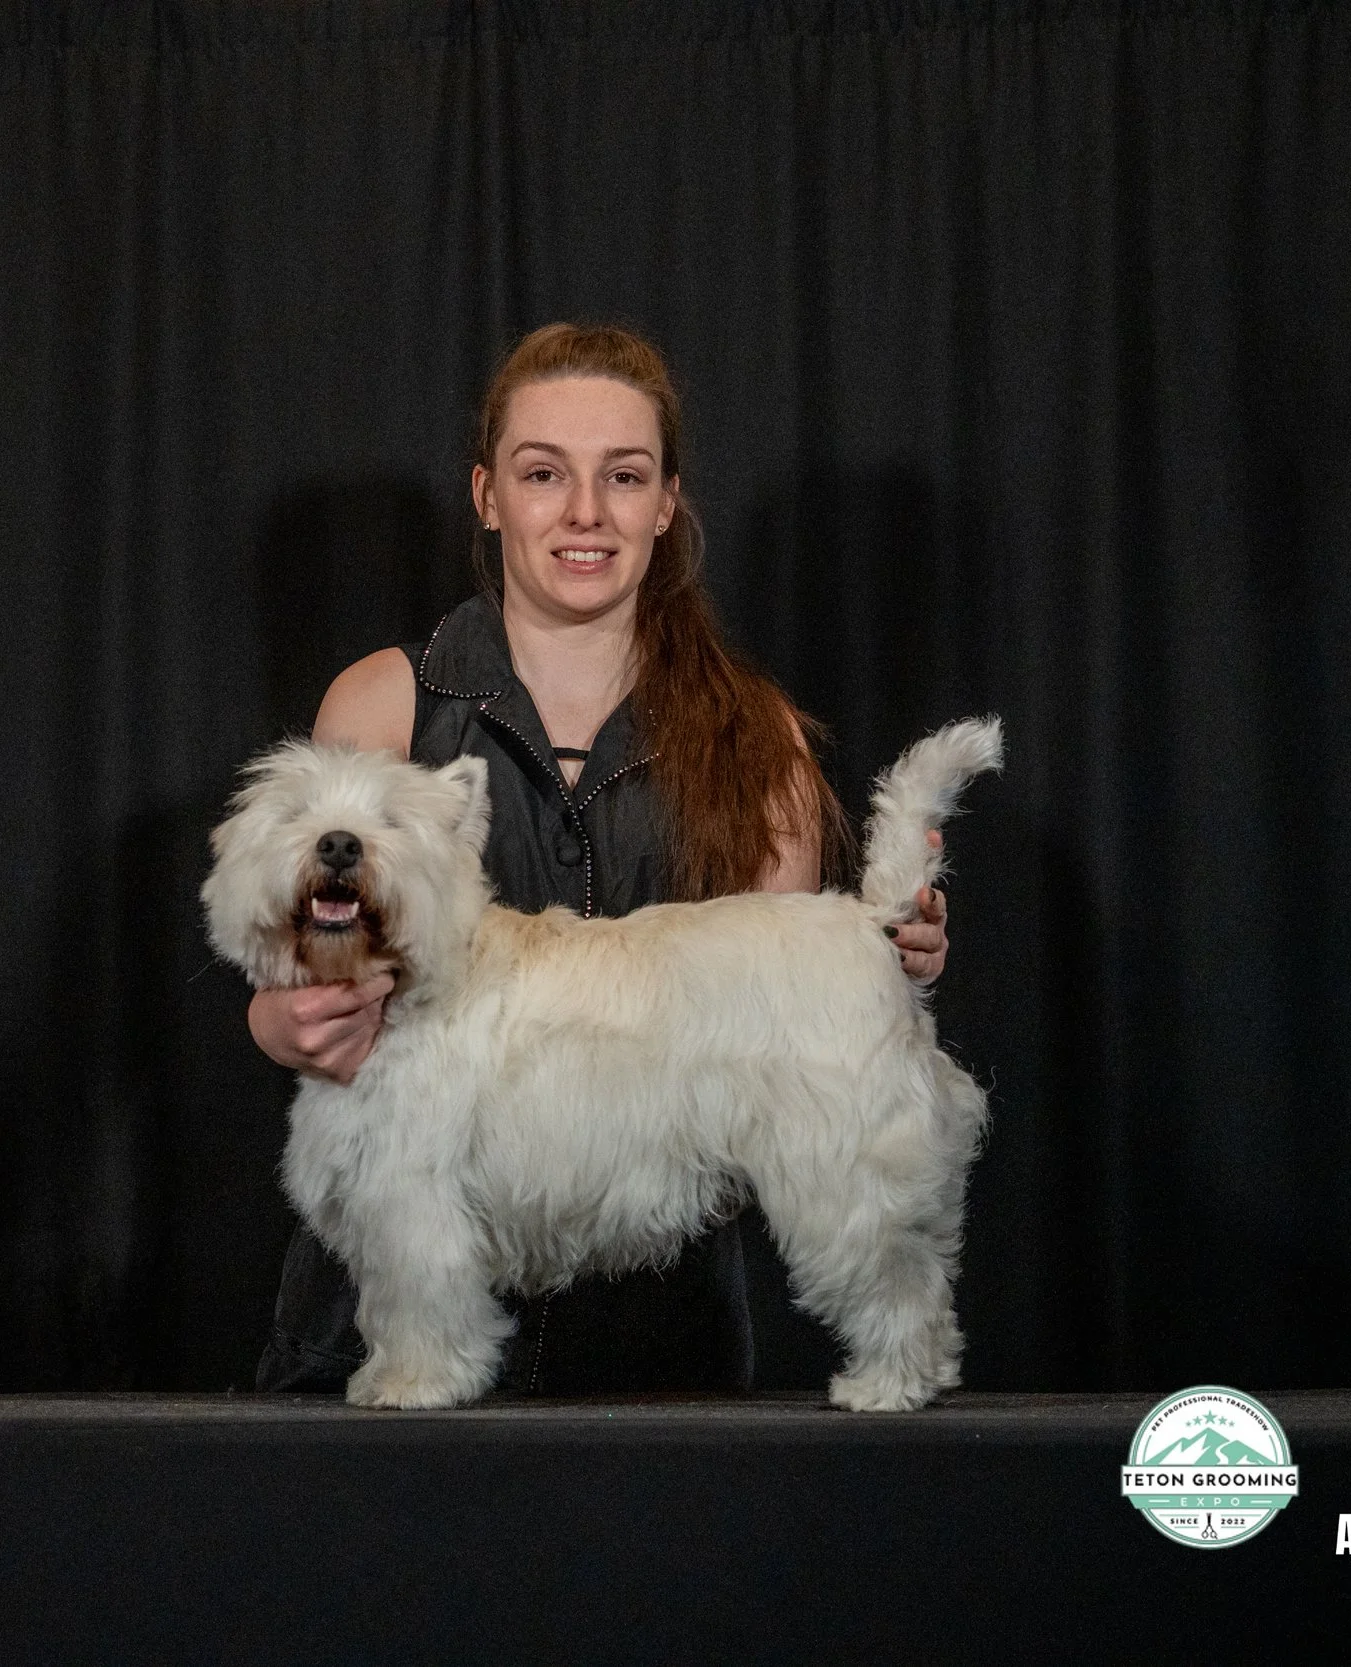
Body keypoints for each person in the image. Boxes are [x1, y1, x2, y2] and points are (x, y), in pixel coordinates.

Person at [248, 323, 953, 1394]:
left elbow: (776, 1035)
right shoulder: (384, 703)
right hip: (383, 1346)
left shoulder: (757, 739)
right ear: (488, 495)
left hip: (654, 1355)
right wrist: (279, 1022)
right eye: (544, 473)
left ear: (666, 503)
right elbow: (298, 953)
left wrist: (877, 968)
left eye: (623, 475)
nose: (585, 511)